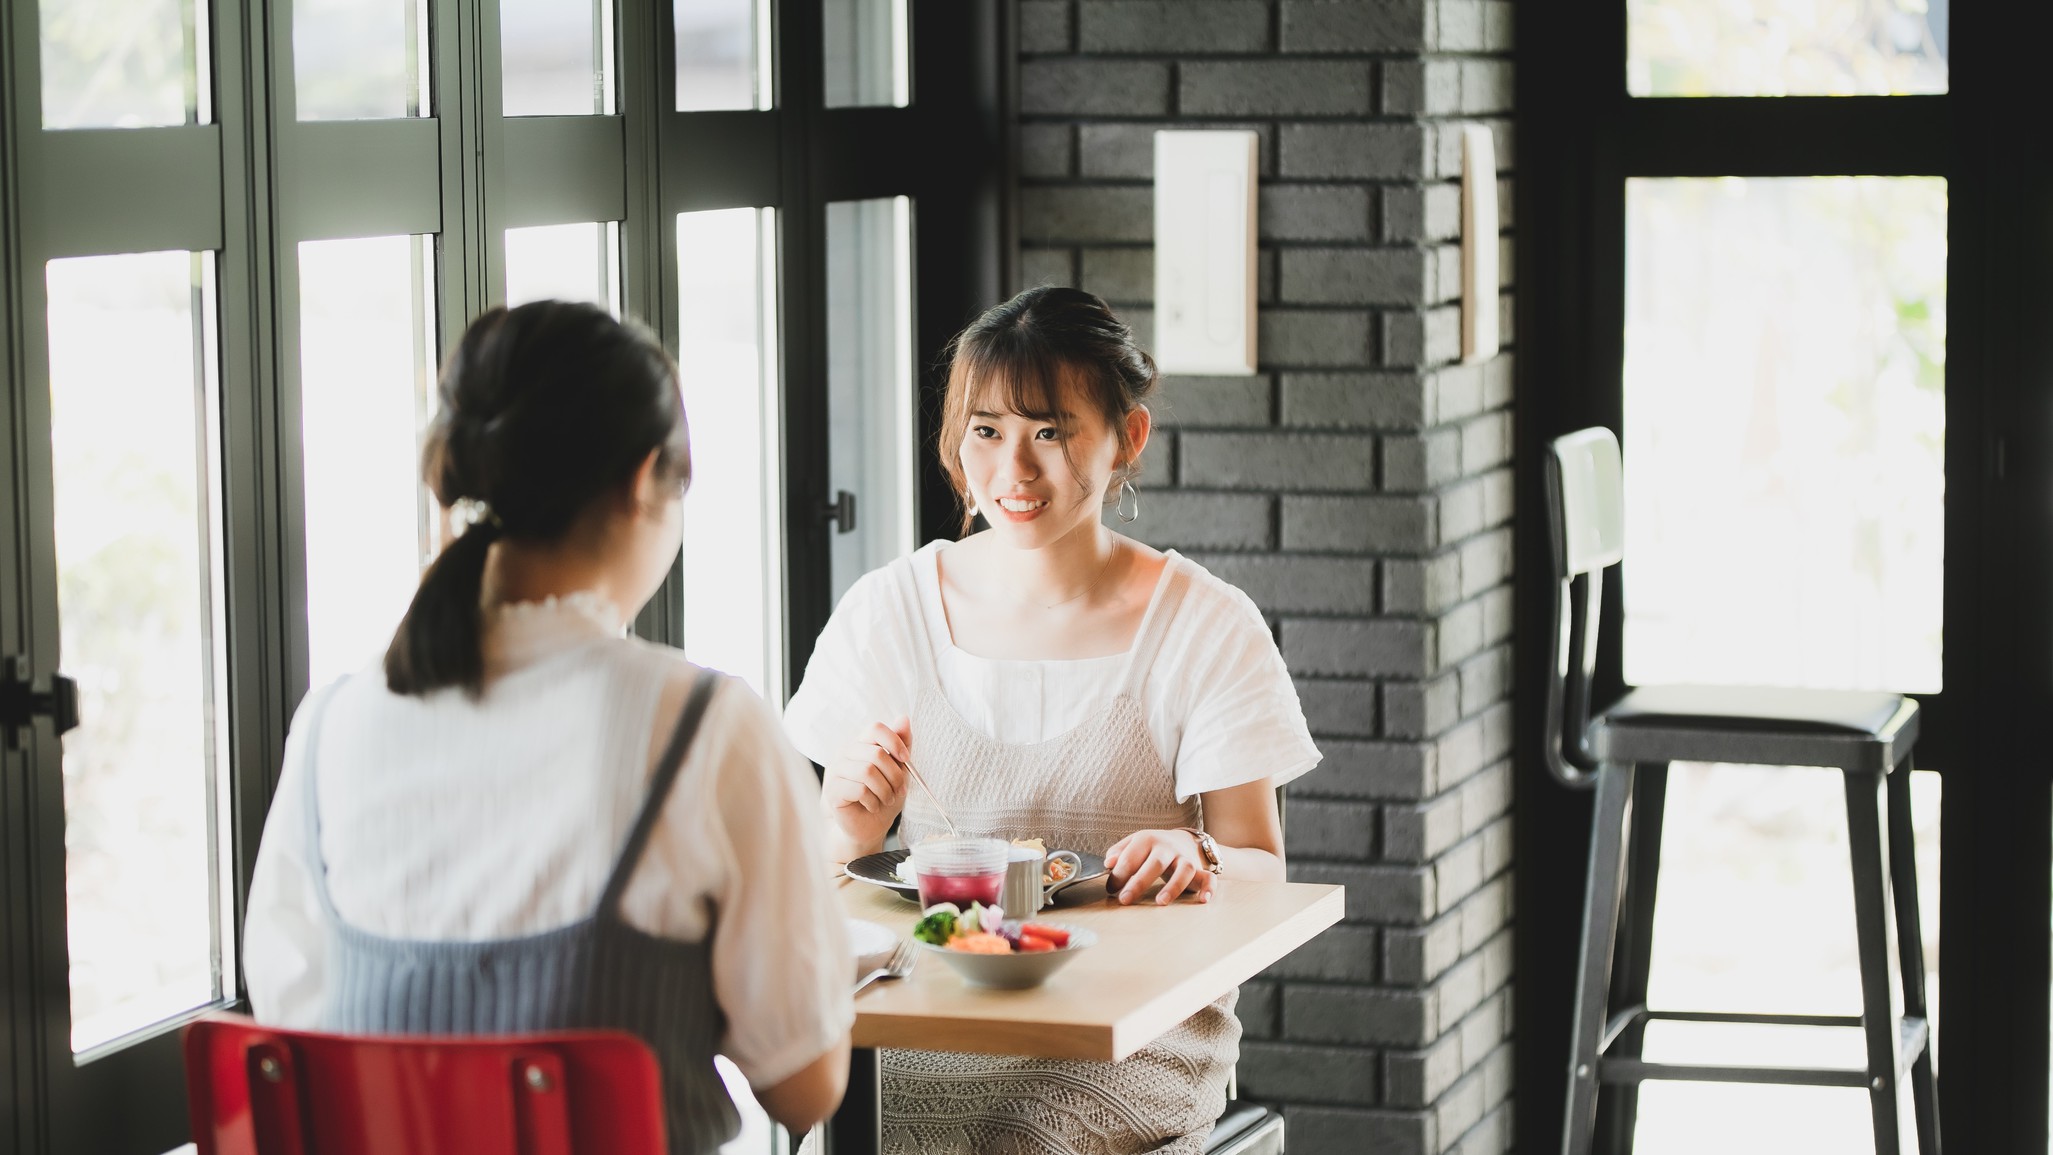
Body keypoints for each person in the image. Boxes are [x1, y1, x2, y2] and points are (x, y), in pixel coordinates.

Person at [243, 301, 852, 1152]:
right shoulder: (703, 726)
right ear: (644, 480)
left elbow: (294, 1018)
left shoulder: (330, 725)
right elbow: (804, 1084)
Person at [783, 286, 1323, 1154]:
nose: (1013, 471)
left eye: (1050, 431)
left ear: (1126, 439)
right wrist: (842, 828)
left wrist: (1202, 856)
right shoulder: (888, 612)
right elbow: (818, 883)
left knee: (1017, 1136)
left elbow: (1263, 869)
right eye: (986, 431)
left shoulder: (1205, 625)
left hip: (1135, 1037)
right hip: (932, 1017)